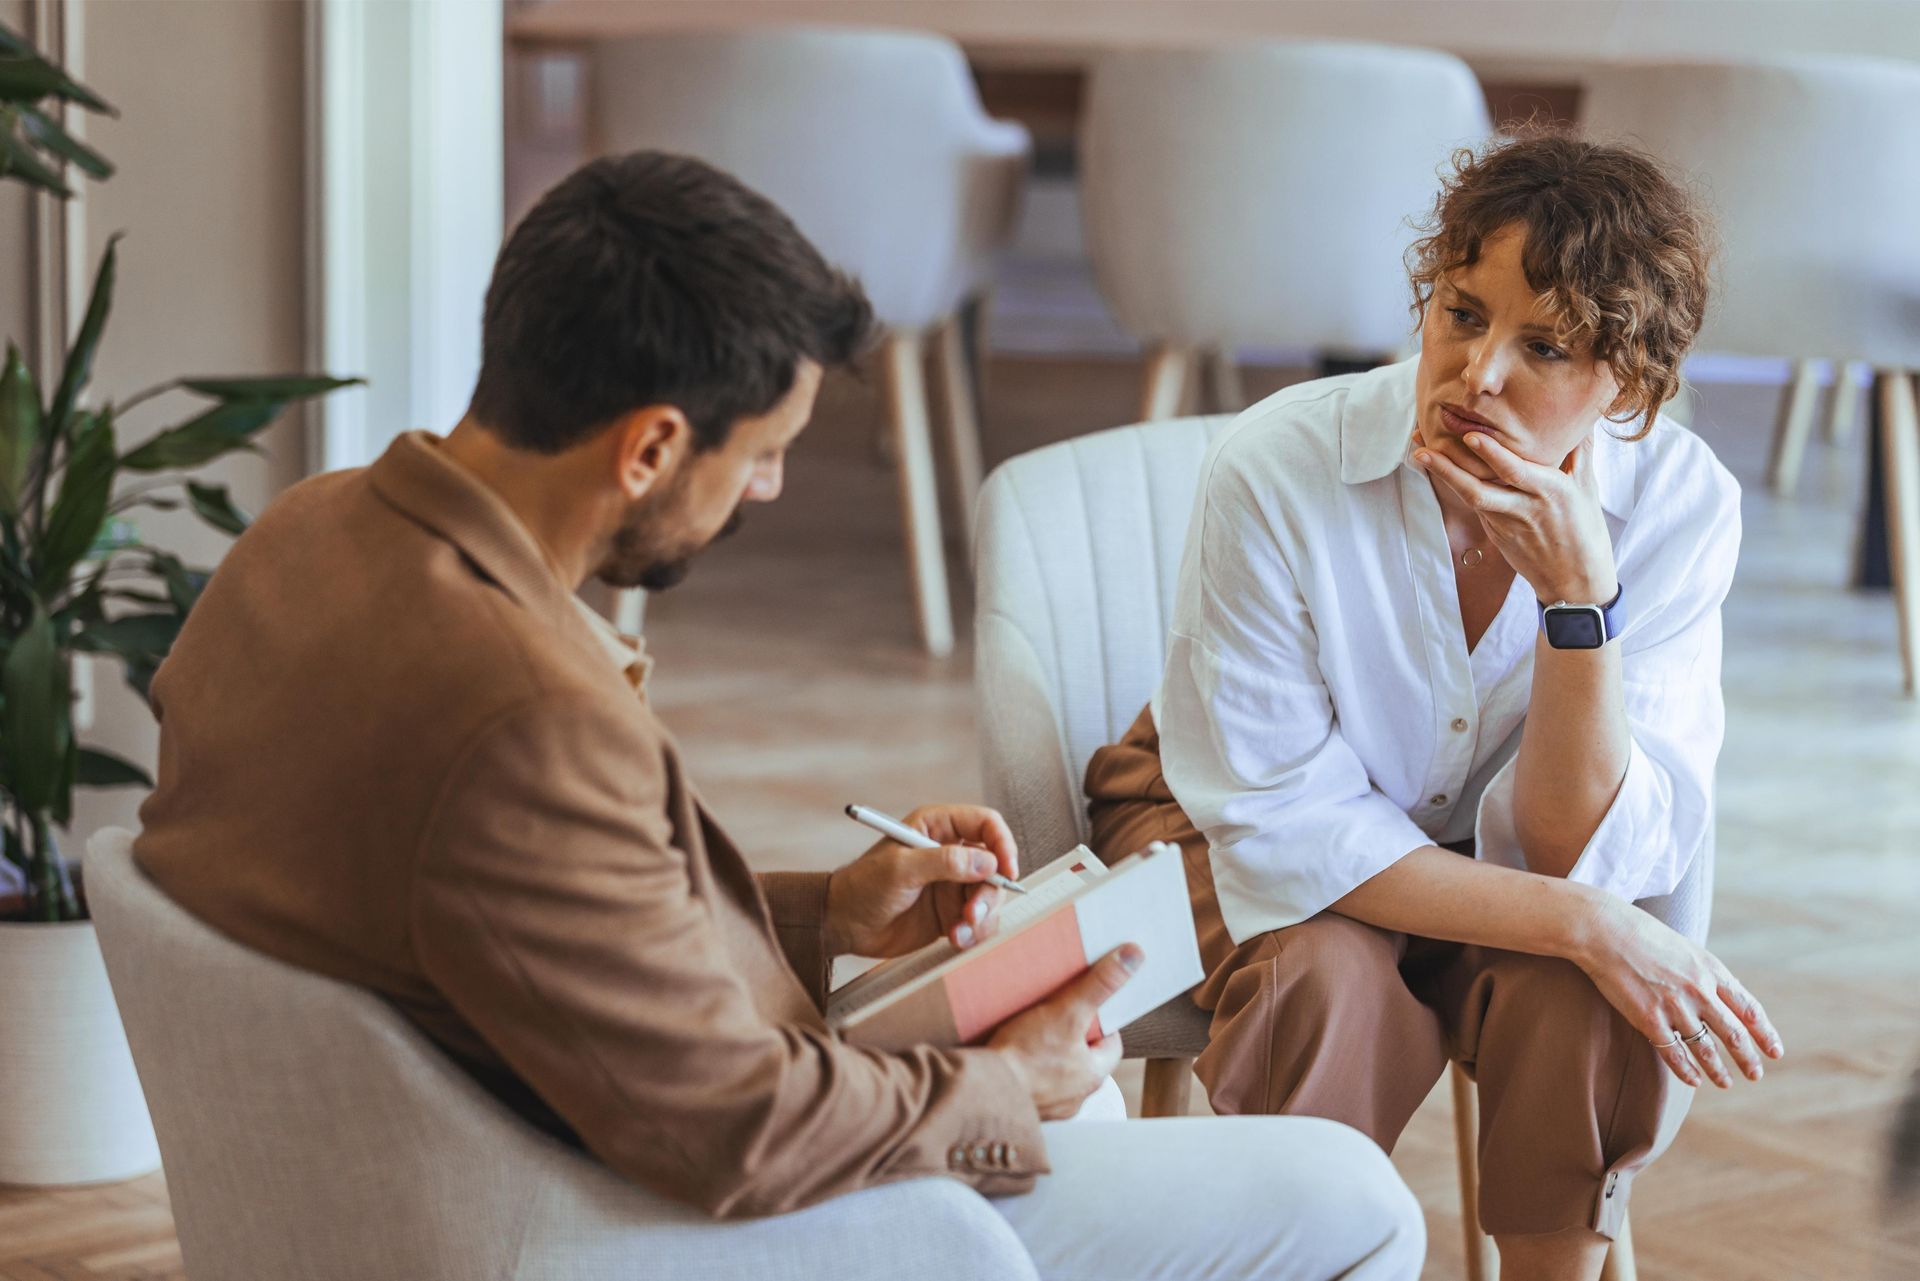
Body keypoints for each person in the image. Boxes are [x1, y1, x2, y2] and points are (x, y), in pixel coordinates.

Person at [133, 151, 1422, 1280]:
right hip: (645, 1216)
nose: (771, 487)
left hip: (501, 1138)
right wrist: (1001, 1091)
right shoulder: (522, 718)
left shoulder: (305, 535)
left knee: (1072, 1100)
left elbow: (507, 910)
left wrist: (828, 914)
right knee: (1353, 1201)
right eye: (757, 454)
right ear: (647, 449)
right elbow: (729, 1128)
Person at [1085, 134, 1787, 1281]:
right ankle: (1300, 1253)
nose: (1479, 375)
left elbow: (1572, 850)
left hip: (1495, 850)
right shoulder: (1277, 468)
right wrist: (1589, 920)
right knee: (1329, 975)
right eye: (1461, 314)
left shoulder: (1679, 507)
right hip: (1219, 820)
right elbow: (1283, 826)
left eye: (1544, 346)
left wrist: (1577, 605)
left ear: (1628, 384)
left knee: (1582, 992)